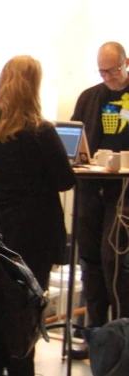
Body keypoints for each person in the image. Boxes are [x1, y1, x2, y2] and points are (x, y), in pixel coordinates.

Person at [0, 55, 76, 376]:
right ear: (35, 87)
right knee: (24, 316)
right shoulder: (42, 132)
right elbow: (65, 181)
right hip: (34, 234)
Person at [71, 41, 129, 332]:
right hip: (91, 189)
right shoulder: (90, 98)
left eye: (114, 70)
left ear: (126, 62)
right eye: (102, 71)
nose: (108, 77)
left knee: (114, 260)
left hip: (124, 193)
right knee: (89, 259)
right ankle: (94, 334)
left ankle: (120, 334)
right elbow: (73, 140)